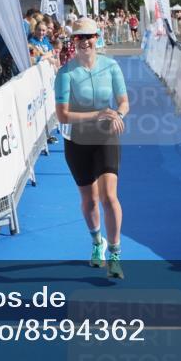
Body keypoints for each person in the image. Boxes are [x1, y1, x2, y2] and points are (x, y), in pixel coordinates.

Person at [55, 18, 129, 280]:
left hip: (105, 137)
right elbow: (62, 116)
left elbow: (123, 102)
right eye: (79, 37)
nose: (85, 41)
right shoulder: (65, 74)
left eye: (89, 36)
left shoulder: (111, 66)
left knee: (109, 196)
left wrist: (117, 114)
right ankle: (98, 242)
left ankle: (115, 254)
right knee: (89, 200)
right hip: (77, 141)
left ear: (97, 38)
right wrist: (97, 114)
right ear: (73, 41)